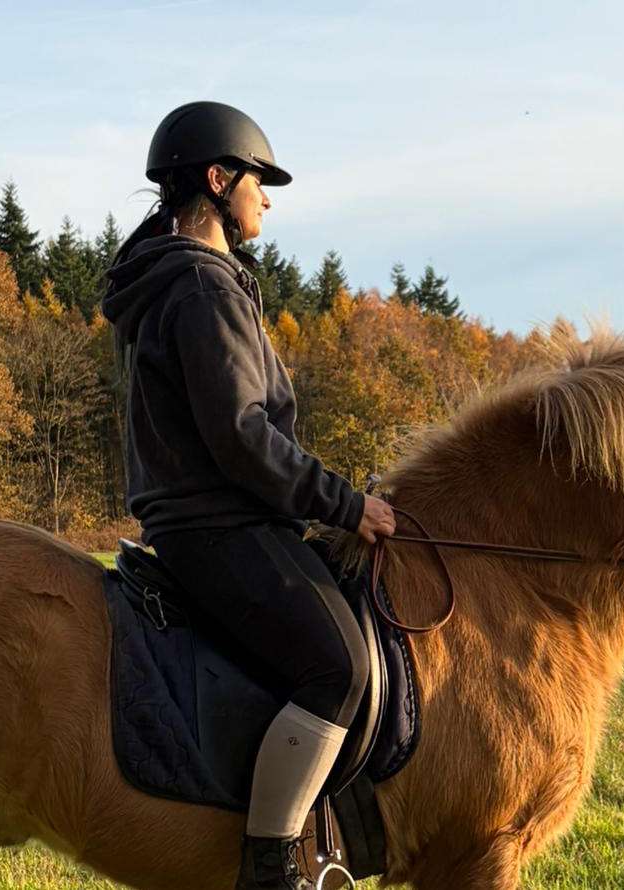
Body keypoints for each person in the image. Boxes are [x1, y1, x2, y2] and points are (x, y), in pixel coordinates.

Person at [101, 101, 396, 890]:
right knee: (341, 670)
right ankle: (272, 866)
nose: (267, 198)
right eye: (259, 180)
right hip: (219, 525)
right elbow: (242, 436)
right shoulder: (202, 287)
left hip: (207, 520)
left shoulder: (185, 280)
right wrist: (344, 504)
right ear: (217, 178)